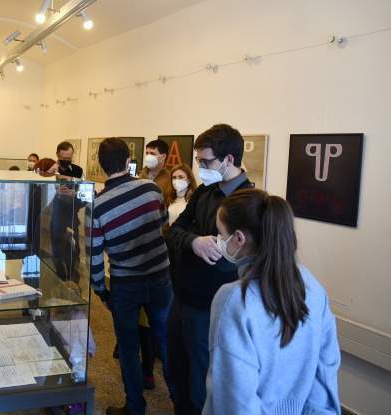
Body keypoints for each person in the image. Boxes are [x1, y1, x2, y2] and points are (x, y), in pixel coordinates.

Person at [203, 189, 341, 414]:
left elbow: (234, 400)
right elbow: (325, 372)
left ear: (239, 239)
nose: (219, 241)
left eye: (221, 234)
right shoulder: (312, 286)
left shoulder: (234, 300)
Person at [166, 124, 253, 415]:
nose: (200, 168)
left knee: (200, 384)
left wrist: (193, 242)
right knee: (176, 370)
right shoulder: (204, 192)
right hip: (182, 296)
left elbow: (235, 259)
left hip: (212, 306)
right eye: (198, 161)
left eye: (206, 162)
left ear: (229, 159)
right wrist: (194, 242)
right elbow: (173, 231)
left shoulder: (249, 202)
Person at [89, 138, 173, 415]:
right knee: (166, 341)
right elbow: (164, 227)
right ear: (128, 161)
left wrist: (101, 291)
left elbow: (94, 256)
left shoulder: (98, 205)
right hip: (160, 276)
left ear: (102, 166)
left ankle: (135, 406)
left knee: (127, 347)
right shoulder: (151, 189)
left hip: (125, 284)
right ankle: (182, 402)